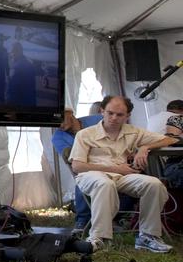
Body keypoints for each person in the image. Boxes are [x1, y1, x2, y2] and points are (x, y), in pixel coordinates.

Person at [69, 95, 175, 253]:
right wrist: (116, 169)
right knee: (104, 183)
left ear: (127, 116)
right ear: (102, 111)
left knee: (154, 184)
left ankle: (147, 236)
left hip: (121, 176)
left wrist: (144, 148)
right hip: (91, 175)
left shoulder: (133, 132)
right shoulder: (85, 134)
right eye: (110, 113)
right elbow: (77, 166)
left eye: (119, 115)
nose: (114, 118)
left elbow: (170, 140)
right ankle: (98, 238)